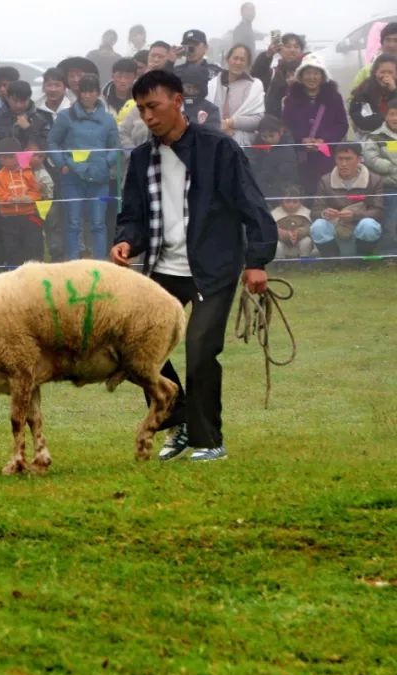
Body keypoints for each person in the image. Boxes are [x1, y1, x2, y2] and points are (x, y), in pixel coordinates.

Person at [112, 70, 277, 463]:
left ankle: (209, 440)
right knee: (140, 348)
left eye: (153, 106)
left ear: (178, 101)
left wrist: (256, 261)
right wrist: (125, 241)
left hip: (212, 267)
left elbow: (252, 206)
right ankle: (179, 417)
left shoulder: (220, 148)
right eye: (141, 109)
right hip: (162, 267)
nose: (148, 116)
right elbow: (131, 215)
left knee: (201, 349)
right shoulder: (140, 159)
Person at [47, 74, 120, 260]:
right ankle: (72, 263)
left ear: (97, 93)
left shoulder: (108, 119)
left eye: (91, 91)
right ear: (78, 93)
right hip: (72, 177)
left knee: (98, 223)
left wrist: (107, 162)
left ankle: (99, 264)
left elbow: (115, 146)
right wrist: (61, 163)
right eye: (84, 91)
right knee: (72, 223)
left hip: (99, 177)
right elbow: (52, 142)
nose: (87, 95)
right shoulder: (65, 117)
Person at [281, 54, 349, 192]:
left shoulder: (334, 97)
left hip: (327, 157)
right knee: (305, 191)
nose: (312, 77)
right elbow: (286, 126)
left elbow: (342, 125)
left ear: (322, 76)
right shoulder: (291, 99)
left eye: (316, 73)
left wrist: (324, 140)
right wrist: (301, 140)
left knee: (327, 191)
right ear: (301, 75)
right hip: (300, 157)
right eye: (308, 73)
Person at [309, 143, 384, 257]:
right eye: (340, 159)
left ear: (359, 159)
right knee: (318, 226)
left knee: (369, 225)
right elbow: (315, 211)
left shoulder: (374, 180)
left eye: (348, 159)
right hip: (335, 226)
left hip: (359, 226)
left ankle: (362, 260)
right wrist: (325, 213)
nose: (344, 164)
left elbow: (378, 211)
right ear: (335, 160)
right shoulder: (325, 180)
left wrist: (355, 215)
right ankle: (332, 262)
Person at [0, 136, 45, 266]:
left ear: (18, 156)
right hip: (9, 218)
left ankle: (36, 274)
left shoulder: (28, 173)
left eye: (10, 157)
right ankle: (13, 272)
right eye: (3, 157)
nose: (6, 160)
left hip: (29, 216)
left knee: (33, 246)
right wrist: (11, 199)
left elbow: (36, 190)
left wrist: (29, 198)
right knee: (12, 249)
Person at [210, 44, 265, 146]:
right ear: (228, 59)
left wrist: (230, 123)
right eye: (235, 58)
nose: (238, 62)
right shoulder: (212, 84)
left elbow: (258, 120)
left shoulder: (255, 86)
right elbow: (205, 114)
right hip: (215, 143)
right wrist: (220, 126)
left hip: (242, 145)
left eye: (242, 60)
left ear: (248, 64)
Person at [363, 99, 397, 249]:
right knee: (390, 221)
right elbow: (371, 159)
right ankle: (388, 253)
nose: (395, 118)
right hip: (389, 187)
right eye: (392, 114)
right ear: (386, 116)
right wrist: (391, 167)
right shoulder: (375, 137)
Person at [252, 32, 306, 117]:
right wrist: (268, 55)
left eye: (296, 47)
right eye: (288, 46)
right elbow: (256, 74)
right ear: (280, 50)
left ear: (301, 51)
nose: (292, 50)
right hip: (274, 126)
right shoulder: (273, 74)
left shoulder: (309, 74)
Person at [247, 115, 298, 204]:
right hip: (260, 190)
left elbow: (286, 177)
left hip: (278, 195)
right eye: (264, 136)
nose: (268, 140)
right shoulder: (258, 146)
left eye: (271, 136)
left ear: (281, 131)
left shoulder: (287, 150)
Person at [348, 54, 397, 137]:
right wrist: (386, 119)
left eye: (390, 72)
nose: (386, 76)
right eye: (382, 72)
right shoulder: (363, 91)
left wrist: (394, 91)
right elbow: (362, 121)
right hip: (371, 139)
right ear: (375, 72)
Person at [349, 23, 397, 97]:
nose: (391, 45)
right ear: (381, 43)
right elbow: (352, 99)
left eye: (396, 40)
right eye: (388, 40)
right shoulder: (366, 71)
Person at [272, 185, 315, 258]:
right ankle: (280, 263)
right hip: (284, 244)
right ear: (282, 201)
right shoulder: (275, 213)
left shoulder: (306, 212)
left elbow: (309, 228)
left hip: (299, 244)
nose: (291, 205)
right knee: (277, 244)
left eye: (295, 201)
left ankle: (304, 261)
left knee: (307, 241)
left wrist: (299, 232)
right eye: (288, 201)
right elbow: (272, 230)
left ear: (301, 202)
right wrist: (284, 234)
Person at [174, 65, 222, 129]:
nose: (191, 90)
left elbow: (214, 133)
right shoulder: (174, 105)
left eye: (195, 88)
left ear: (201, 89)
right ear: (182, 86)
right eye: (188, 87)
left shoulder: (210, 109)